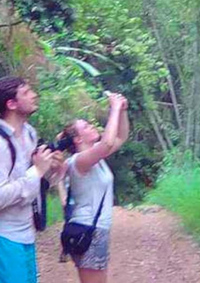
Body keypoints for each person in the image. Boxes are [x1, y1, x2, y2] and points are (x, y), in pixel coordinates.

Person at [0, 76, 63, 283]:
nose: (34, 95)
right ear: (11, 104)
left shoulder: (30, 133)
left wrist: (51, 168)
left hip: (24, 233)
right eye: (26, 92)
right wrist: (37, 171)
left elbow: (33, 184)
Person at [61, 92, 129, 283]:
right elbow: (107, 142)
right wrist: (113, 108)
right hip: (88, 228)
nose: (92, 126)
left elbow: (121, 137)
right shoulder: (80, 161)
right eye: (86, 126)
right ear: (77, 139)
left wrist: (122, 111)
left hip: (95, 228)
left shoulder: (94, 157)